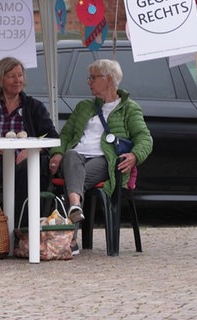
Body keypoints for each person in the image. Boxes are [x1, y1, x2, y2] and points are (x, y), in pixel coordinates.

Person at [48, 59, 153, 252]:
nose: (88, 81)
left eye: (93, 77)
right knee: (71, 155)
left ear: (109, 79)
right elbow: (65, 135)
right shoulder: (84, 107)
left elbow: (145, 138)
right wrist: (56, 153)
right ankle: (75, 209)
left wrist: (134, 156)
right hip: (76, 159)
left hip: (107, 161)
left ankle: (71, 232)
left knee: (76, 178)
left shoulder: (129, 108)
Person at [0, 57, 59, 221]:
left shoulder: (33, 106)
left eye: (20, 75)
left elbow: (52, 136)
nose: (17, 80)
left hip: (20, 162)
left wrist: (31, 151)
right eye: (11, 76)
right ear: (0, 79)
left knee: (27, 168)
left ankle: (20, 229)